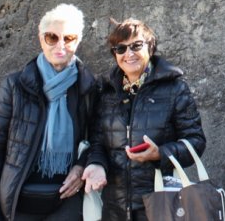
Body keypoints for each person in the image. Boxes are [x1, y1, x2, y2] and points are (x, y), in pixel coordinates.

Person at [0, 4, 106, 220]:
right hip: (19, 204)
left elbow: (98, 140)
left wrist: (81, 166)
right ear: (41, 38)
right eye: (52, 37)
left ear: (78, 41)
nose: (60, 45)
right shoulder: (15, 86)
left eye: (69, 38)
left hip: (67, 204)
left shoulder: (88, 88)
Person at [82, 18, 206, 221]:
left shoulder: (175, 89)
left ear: (151, 46)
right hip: (114, 207)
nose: (128, 54)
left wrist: (160, 154)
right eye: (120, 48)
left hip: (161, 204)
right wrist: (96, 163)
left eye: (136, 46)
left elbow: (196, 141)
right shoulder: (106, 91)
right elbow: (97, 141)